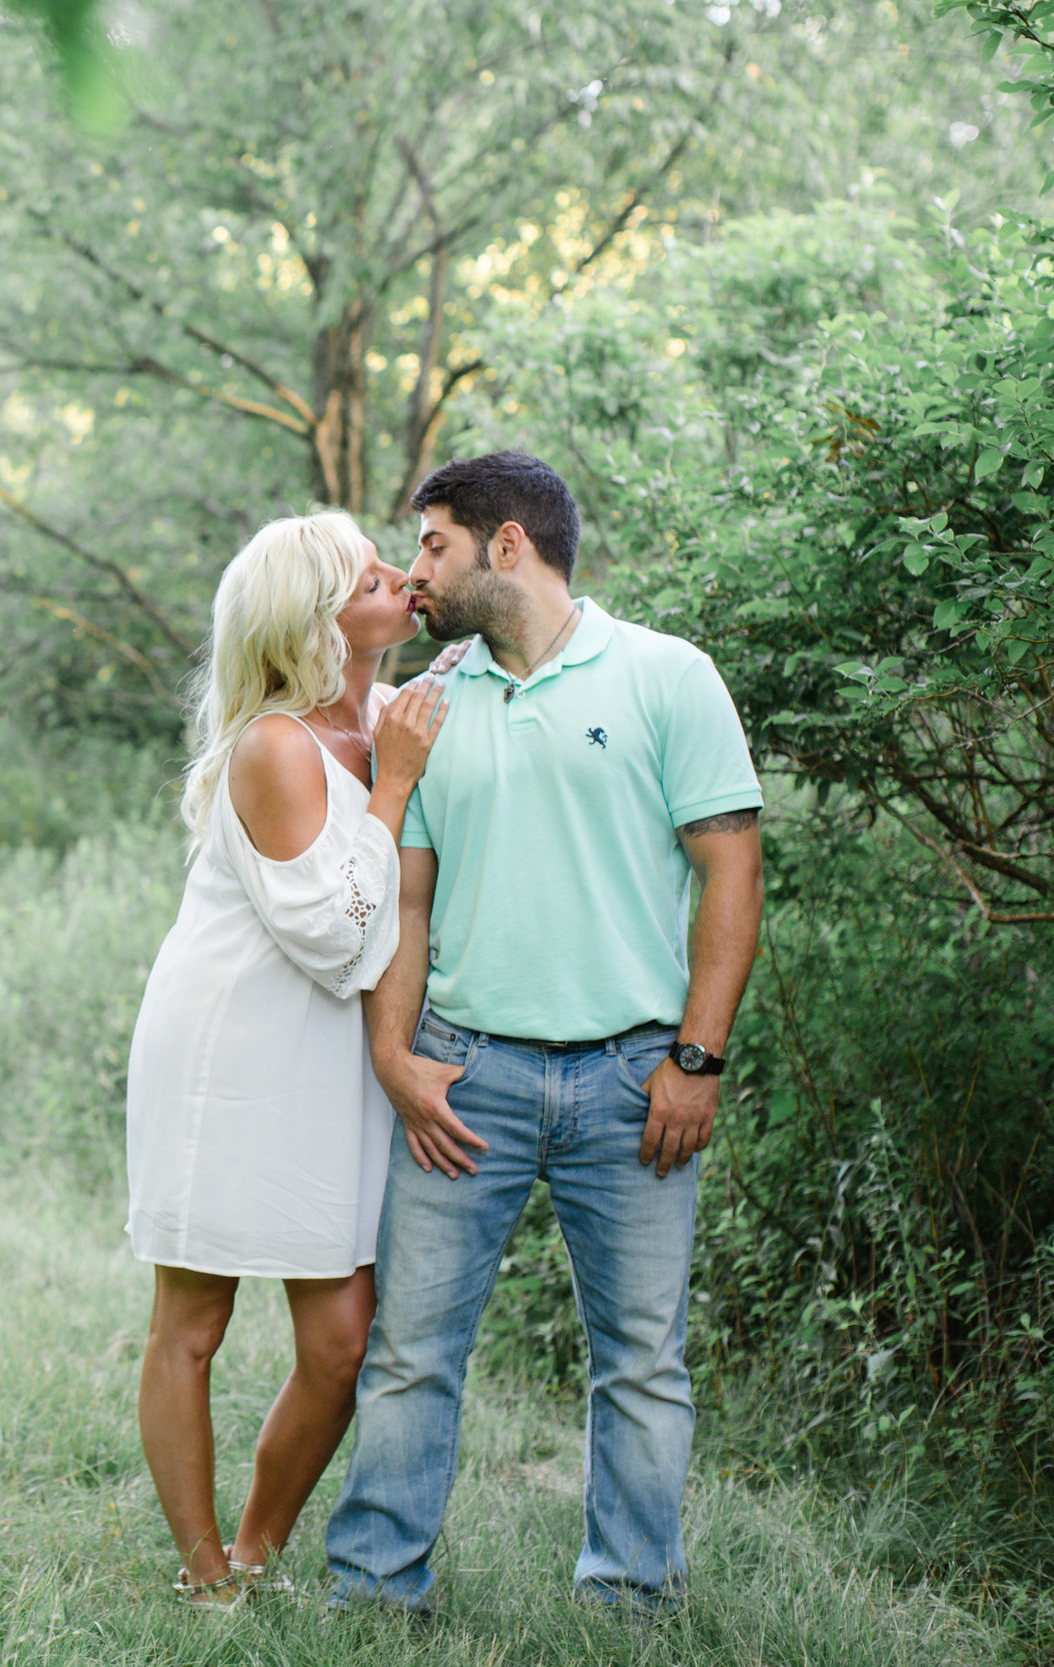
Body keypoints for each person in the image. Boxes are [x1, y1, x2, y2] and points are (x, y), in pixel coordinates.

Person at [326, 452, 764, 1615]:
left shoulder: (668, 676)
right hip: (464, 1078)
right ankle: (374, 1593)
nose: (415, 568)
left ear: (504, 545)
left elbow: (731, 873)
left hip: (636, 1079)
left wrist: (696, 1059)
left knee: (641, 1361)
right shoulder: (422, 709)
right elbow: (404, 903)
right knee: (412, 1349)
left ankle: (628, 1597)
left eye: (432, 544)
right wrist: (393, 1055)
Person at [124, 509, 456, 1609]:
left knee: (342, 1339)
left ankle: (260, 1544)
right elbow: (330, 936)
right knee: (195, 1319)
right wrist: (396, 783)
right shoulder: (275, 743)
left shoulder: (384, 715)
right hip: (232, 1043)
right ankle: (205, 1571)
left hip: (330, 1059)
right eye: (373, 575)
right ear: (319, 618)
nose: (401, 577)